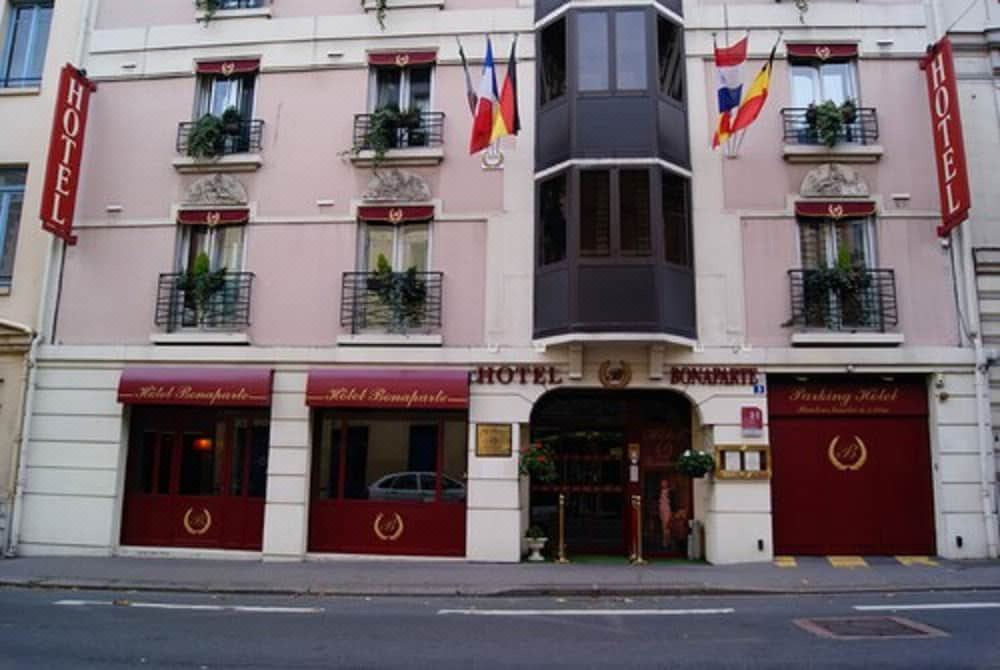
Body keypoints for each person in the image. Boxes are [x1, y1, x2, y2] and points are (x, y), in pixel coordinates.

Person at [658, 478, 672, 549]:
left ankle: (667, 542)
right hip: (662, 510)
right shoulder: (660, 492)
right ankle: (665, 542)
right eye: (662, 483)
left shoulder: (669, 491)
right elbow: (660, 503)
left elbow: (671, 502)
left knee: (667, 526)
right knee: (663, 526)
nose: (663, 484)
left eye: (664, 482)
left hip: (667, 510)